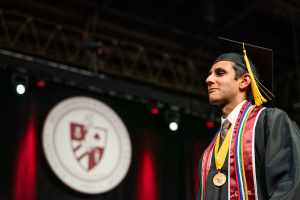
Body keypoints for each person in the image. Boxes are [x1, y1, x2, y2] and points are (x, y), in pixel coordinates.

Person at [197, 40, 300, 200]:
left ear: (244, 81)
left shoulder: (271, 122)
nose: (209, 79)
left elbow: (289, 186)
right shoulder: (210, 152)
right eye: (210, 74)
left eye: (220, 73)